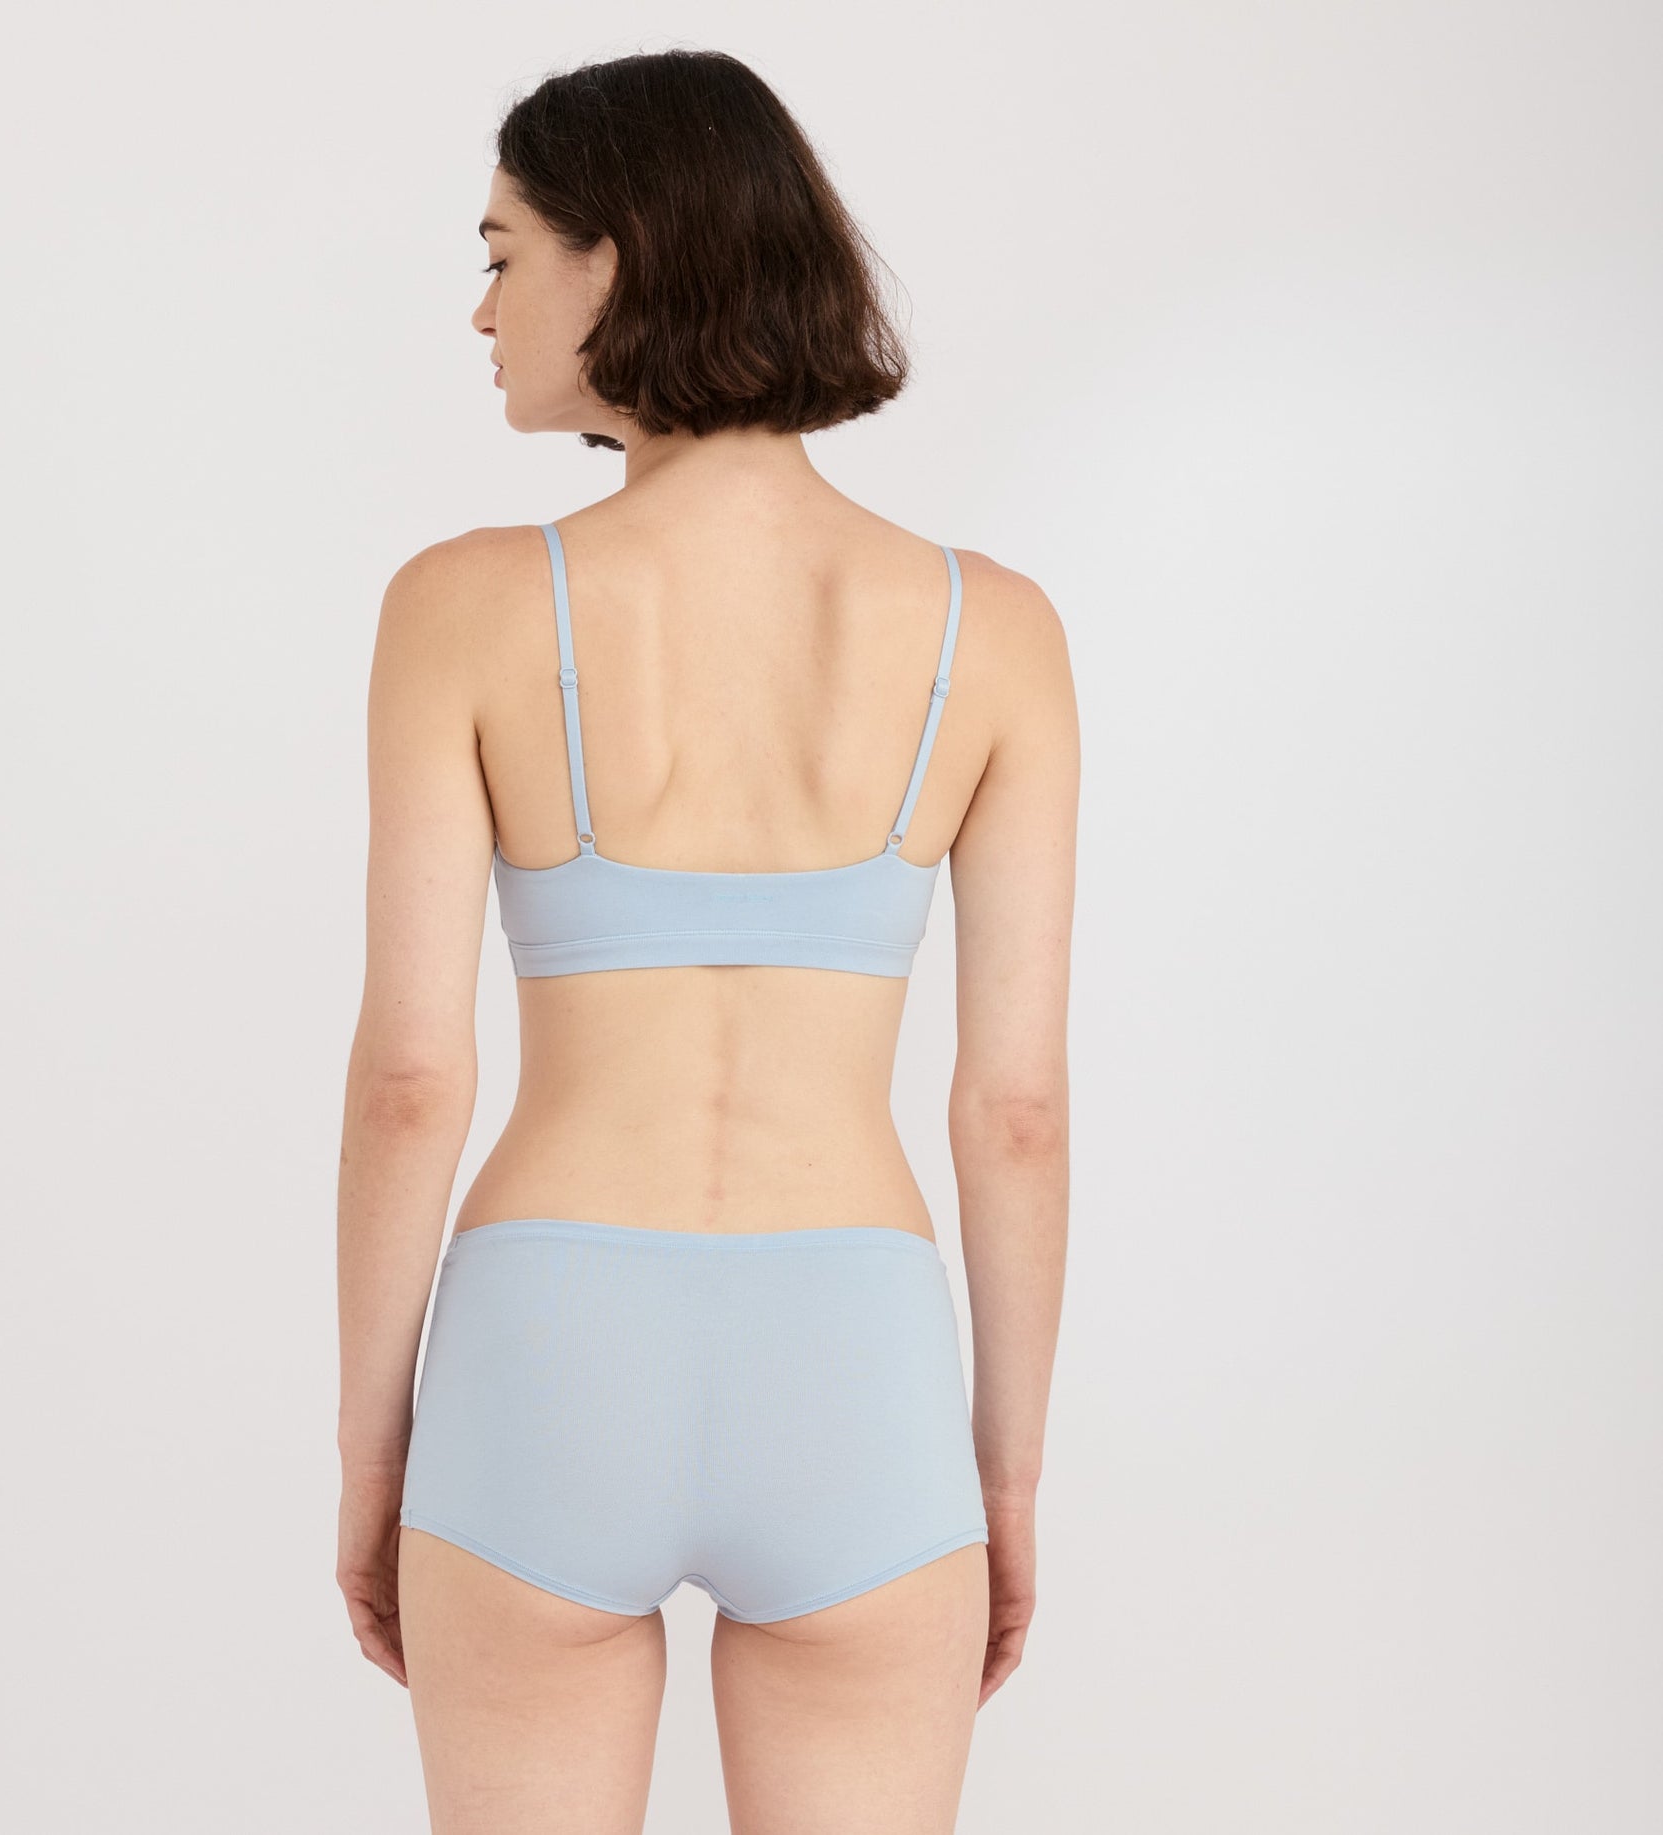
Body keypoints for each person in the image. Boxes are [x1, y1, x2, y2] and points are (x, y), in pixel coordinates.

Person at [335, 47, 1078, 1835]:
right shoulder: (993, 631)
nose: (480, 310)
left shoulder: (462, 606)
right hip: (856, 1358)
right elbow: (1015, 1113)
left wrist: (374, 1452)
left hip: (546, 1352)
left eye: (504, 255)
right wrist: (998, 1481)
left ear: (619, 255)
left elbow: (414, 1076)